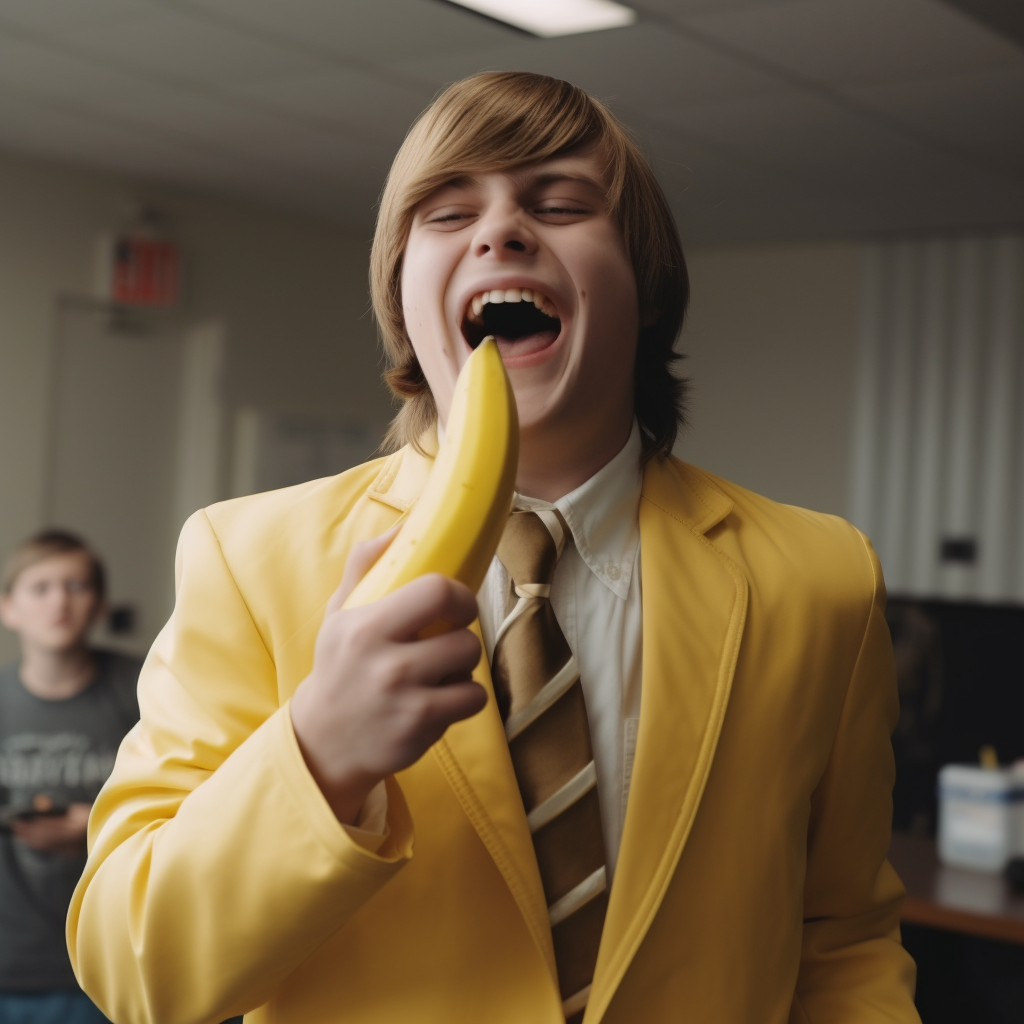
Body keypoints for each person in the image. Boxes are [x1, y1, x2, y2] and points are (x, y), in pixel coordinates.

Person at [68, 72, 920, 1023]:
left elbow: (844, 939)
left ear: (646, 288)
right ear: (402, 297)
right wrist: (320, 755)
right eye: (445, 213)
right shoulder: (244, 555)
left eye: (559, 204)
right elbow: (134, 966)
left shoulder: (824, 578)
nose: (501, 232)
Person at [0, 530, 140, 1024]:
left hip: (117, 960)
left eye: (76, 586)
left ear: (99, 603)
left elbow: (207, 802)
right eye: (40, 588)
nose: (59, 601)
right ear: (8, 608)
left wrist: (101, 825)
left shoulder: (152, 689)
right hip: (12, 964)